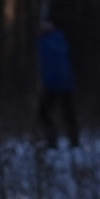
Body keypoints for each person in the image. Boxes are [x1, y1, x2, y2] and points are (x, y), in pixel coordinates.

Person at [36, 20, 78, 148]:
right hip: (63, 82)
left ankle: (55, 140)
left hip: (54, 83)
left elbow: (50, 65)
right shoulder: (59, 40)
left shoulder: (47, 42)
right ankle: (70, 140)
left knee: (46, 112)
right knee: (66, 112)